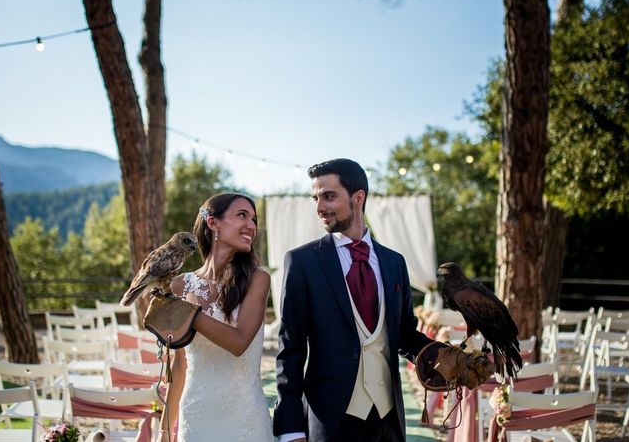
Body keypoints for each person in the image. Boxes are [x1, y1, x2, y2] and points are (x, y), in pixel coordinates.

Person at [274, 158, 433, 442]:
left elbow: (405, 335)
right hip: (331, 419)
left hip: (389, 420)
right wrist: (290, 427)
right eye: (316, 198)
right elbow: (291, 349)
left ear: (358, 198)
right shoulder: (302, 262)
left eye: (329, 196)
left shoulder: (394, 262)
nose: (320, 207)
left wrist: (444, 355)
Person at [163, 193, 273, 441]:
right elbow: (179, 365)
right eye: (242, 216)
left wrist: (185, 312)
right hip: (195, 417)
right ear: (213, 223)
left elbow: (239, 342)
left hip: (245, 420)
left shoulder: (257, 279)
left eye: (254, 219)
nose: (251, 226)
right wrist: (164, 430)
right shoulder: (180, 285)